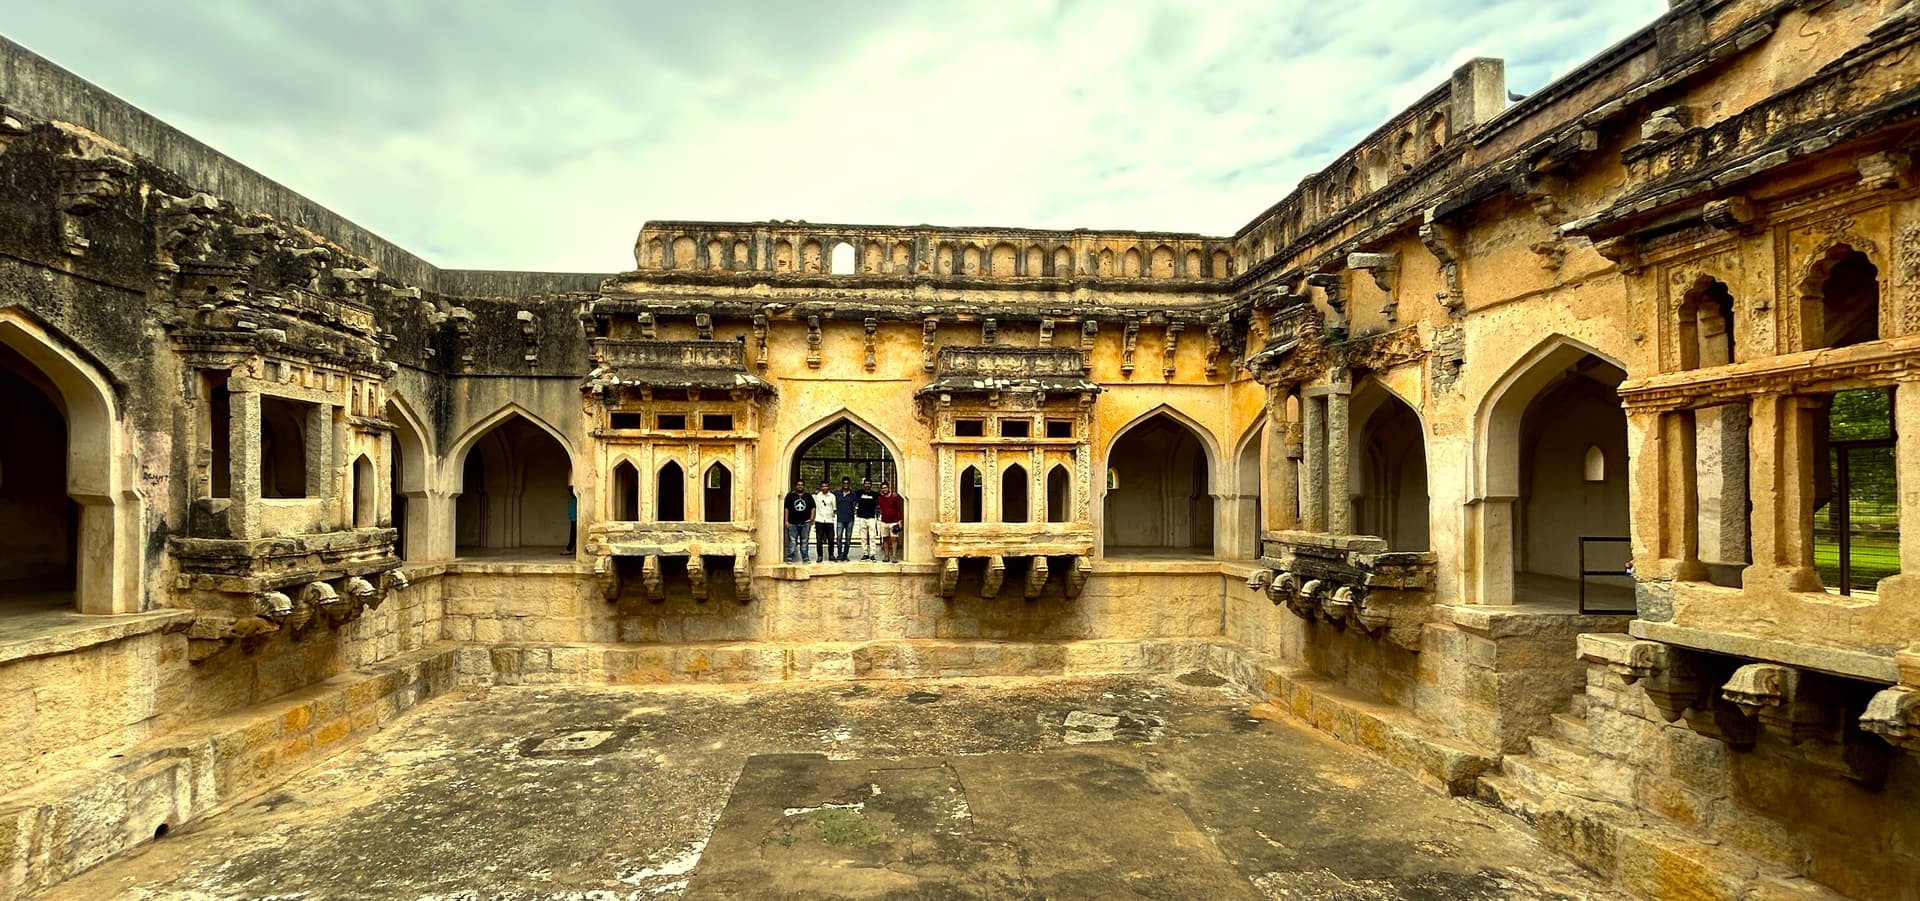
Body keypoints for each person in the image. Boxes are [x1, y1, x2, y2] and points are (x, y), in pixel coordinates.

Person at [782, 479, 814, 563]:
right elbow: (786, 509)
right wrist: (786, 521)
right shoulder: (790, 496)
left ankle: (805, 558)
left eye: (802, 485)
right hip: (792, 523)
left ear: (804, 486)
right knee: (792, 541)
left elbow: (813, 507)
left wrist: (811, 518)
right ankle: (790, 557)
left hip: (805, 523)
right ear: (796, 486)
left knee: (804, 541)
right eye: (798, 484)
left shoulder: (808, 496)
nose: (800, 486)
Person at [852, 478, 881, 561]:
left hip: (871, 518)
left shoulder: (875, 494)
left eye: (869, 484)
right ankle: (865, 554)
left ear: (871, 485)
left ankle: (872, 554)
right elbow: (852, 498)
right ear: (863, 484)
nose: (867, 485)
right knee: (863, 537)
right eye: (866, 483)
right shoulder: (859, 493)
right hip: (861, 517)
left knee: (872, 536)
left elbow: (881, 501)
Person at [877, 482, 905, 563]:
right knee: (885, 539)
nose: (884, 489)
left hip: (894, 522)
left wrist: (900, 521)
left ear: (888, 488)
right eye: (882, 488)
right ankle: (886, 555)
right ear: (881, 489)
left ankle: (894, 556)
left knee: (894, 539)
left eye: (885, 488)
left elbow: (899, 509)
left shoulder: (894, 498)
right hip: (884, 521)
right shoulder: (880, 499)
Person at [811, 479, 836, 563]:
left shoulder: (832, 496)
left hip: (829, 521)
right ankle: (820, 556)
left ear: (828, 487)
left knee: (831, 539)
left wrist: (831, 516)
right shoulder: (817, 496)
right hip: (819, 520)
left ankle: (831, 555)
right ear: (820, 487)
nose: (825, 487)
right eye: (823, 486)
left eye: (826, 486)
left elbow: (834, 508)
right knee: (819, 540)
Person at [833, 477, 857, 562]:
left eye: (847, 483)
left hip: (850, 519)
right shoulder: (837, 493)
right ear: (842, 484)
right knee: (839, 537)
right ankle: (840, 554)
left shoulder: (853, 494)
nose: (845, 484)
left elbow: (856, 503)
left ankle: (845, 554)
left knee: (848, 538)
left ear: (849, 484)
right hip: (840, 519)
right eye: (844, 483)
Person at [562, 485, 577, 555]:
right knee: (574, 535)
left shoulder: (577, 500)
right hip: (573, 519)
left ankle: (569, 549)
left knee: (573, 535)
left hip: (576, 520)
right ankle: (573, 549)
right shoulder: (573, 500)